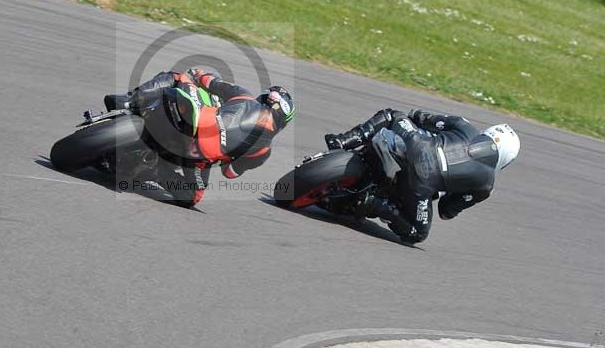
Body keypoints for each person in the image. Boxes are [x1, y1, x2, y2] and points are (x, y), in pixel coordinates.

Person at [324, 109, 520, 243]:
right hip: (421, 185)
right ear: (506, 160)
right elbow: (446, 210)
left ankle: (343, 140)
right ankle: (372, 202)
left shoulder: (463, 124)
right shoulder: (486, 186)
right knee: (417, 234)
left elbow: (418, 116)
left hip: (414, 143)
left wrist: (413, 127)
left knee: (391, 115)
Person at [104, 69, 295, 207]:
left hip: (193, 123)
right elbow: (229, 172)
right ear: (283, 122)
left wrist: (199, 73)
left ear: (263, 99)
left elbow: (209, 81)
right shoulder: (264, 151)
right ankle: (160, 170)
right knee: (192, 197)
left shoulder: (245, 96)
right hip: (198, 159)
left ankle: (129, 101)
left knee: (177, 77)